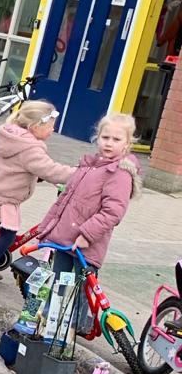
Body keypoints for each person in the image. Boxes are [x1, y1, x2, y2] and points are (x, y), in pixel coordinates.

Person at [0, 100, 74, 297]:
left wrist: (38, 176)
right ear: (35, 127)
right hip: (5, 196)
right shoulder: (29, 148)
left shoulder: (14, 136)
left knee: (3, 232)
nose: (53, 130)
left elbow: (24, 168)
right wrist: (79, 174)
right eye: (50, 126)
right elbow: (50, 170)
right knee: (9, 235)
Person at [34, 112, 140, 270]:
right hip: (64, 240)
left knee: (80, 291)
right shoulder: (88, 166)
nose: (109, 143)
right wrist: (46, 229)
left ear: (127, 143)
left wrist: (87, 235)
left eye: (116, 139)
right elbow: (63, 201)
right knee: (58, 286)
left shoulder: (119, 173)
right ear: (98, 137)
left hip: (86, 246)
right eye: (105, 137)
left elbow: (113, 212)